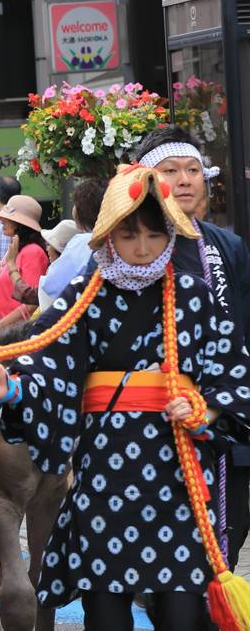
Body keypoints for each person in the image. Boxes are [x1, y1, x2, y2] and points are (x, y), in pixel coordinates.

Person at [0, 164, 250, 629]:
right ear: (107, 237)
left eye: (154, 236)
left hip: (177, 473)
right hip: (106, 474)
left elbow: (233, 375)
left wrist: (202, 407)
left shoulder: (194, 295)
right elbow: (49, 361)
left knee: (184, 612)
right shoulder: (84, 295)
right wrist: (14, 388)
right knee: (105, 611)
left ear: (170, 236)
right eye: (128, 236)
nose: (142, 249)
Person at [135, 125, 250, 562]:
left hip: (223, 414)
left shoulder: (228, 245)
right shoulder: (132, 245)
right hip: (155, 416)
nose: (184, 179)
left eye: (193, 170)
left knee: (227, 537)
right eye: (170, 170)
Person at [37, 177, 107, 313]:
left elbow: (52, 285)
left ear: (82, 210)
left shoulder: (82, 242)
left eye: (75, 204)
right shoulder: (116, 238)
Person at [0, 194, 48, 327]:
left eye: (7, 218)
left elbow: (31, 304)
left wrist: (2, 325)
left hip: (15, 333)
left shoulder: (33, 252)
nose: (1, 220)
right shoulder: (18, 249)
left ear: (20, 224)